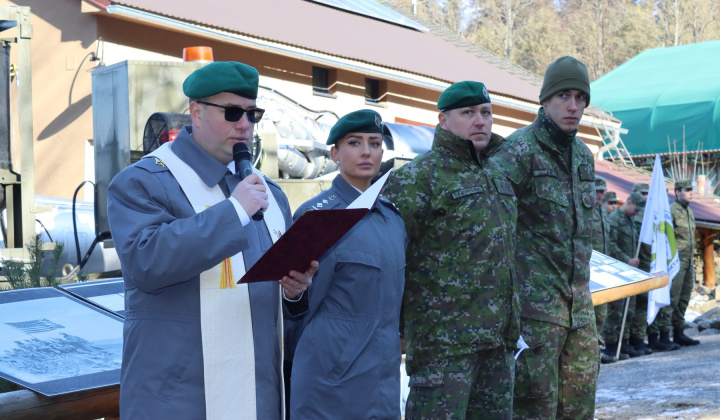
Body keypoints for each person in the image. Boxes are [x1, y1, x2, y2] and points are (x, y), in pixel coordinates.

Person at [107, 61, 317, 420]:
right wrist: (233, 212)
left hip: (259, 396)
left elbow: (274, 304)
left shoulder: (271, 194)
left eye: (254, 114)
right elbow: (145, 263)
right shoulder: (143, 181)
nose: (245, 124)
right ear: (196, 112)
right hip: (180, 400)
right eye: (233, 112)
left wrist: (293, 292)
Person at [384, 81, 520, 419]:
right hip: (443, 347)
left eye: (486, 113)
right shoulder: (417, 178)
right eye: (468, 113)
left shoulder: (499, 176)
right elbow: (392, 256)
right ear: (443, 121)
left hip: (498, 342)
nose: (480, 121)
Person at [490, 56, 598, 419]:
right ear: (545, 100)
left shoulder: (583, 156)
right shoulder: (519, 151)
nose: (573, 106)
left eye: (580, 98)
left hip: (580, 311)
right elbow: (493, 227)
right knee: (533, 410)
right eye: (564, 95)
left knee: (580, 408)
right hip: (534, 314)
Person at [287, 110, 407, 419]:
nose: (367, 151)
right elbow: (294, 310)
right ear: (334, 154)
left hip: (382, 377)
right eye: (355, 143)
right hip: (331, 378)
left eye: (375, 143)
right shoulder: (317, 217)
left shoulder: (393, 219)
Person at [647, 179, 700, 348]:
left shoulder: (689, 211)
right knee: (671, 299)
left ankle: (679, 333)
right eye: (687, 190)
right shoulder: (671, 211)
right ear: (677, 192)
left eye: (692, 190)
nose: (691, 192)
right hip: (675, 263)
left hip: (688, 262)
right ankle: (663, 336)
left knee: (684, 299)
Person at [601, 192, 646, 360]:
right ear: (629, 202)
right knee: (616, 311)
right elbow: (610, 245)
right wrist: (626, 259)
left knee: (629, 310)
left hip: (629, 272)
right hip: (617, 271)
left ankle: (624, 344)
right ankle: (611, 346)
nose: (637, 213)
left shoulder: (630, 220)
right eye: (636, 209)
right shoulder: (615, 219)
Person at [628, 182, 653, 356]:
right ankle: (630, 341)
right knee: (632, 306)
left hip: (645, 264)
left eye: (647, 194)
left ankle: (638, 340)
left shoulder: (648, 214)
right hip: (633, 264)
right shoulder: (634, 216)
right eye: (642, 193)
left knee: (642, 305)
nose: (645, 197)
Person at [592, 176, 614, 364]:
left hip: (603, 270)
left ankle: (596, 351)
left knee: (602, 314)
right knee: (590, 314)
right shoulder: (585, 210)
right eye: (597, 190)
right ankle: (590, 353)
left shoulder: (603, 213)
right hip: (588, 270)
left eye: (602, 191)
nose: (600, 194)